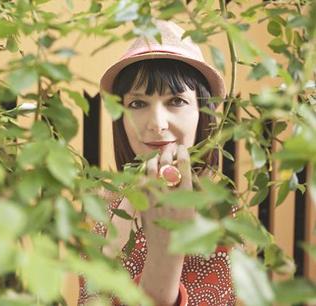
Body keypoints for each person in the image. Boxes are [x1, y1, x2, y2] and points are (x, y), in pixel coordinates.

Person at [78, 20, 236, 306]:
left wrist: (166, 250)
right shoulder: (99, 210)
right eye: (138, 104)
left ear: (204, 113)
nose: (157, 124)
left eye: (176, 101)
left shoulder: (225, 217)